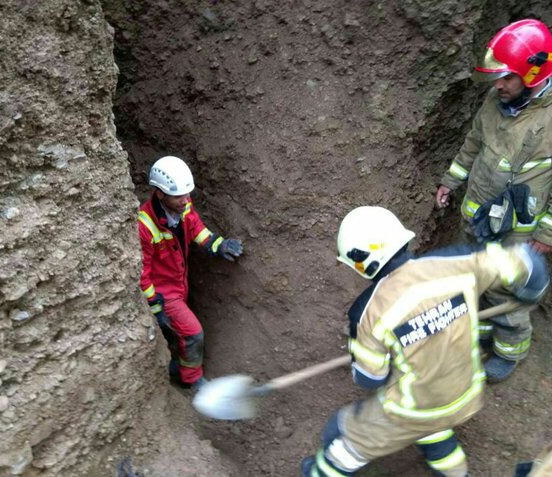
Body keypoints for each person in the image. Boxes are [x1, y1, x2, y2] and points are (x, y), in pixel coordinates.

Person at [301, 206, 548, 477]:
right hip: (467, 392)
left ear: (360, 262)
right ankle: (456, 473)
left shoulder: (366, 314)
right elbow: (524, 263)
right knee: (434, 425)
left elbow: (369, 379)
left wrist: (376, 350)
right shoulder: (456, 263)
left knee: (345, 438)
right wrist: (531, 290)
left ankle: (321, 472)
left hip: (414, 409)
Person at [435, 19, 552, 382]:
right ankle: (480, 329)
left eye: (507, 77)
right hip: (478, 217)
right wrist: (449, 182)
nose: (498, 85)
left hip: (517, 232)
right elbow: (473, 143)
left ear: (533, 75)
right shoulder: (495, 100)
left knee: (506, 293)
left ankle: (509, 350)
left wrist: (547, 234)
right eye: (496, 77)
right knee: (471, 276)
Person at [138, 156, 243, 391]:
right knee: (193, 332)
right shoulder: (144, 226)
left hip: (180, 283)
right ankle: (191, 378)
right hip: (165, 294)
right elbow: (142, 274)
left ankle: (177, 366)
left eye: (188, 194)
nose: (187, 200)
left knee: (184, 333)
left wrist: (219, 245)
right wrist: (157, 309)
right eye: (179, 196)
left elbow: (196, 228)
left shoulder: (182, 205)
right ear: (160, 194)